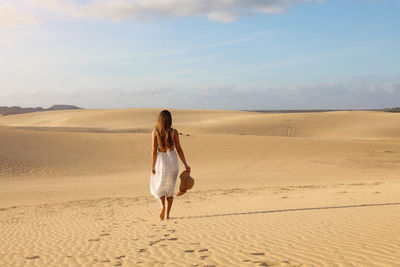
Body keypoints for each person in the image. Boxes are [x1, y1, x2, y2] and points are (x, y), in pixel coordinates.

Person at [150, 110, 191, 220]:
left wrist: (153, 166)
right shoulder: (174, 132)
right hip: (172, 161)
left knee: (160, 186)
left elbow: (154, 151)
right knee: (170, 188)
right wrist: (185, 164)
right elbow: (179, 149)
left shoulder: (155, 132)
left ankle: (162, 206)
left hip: (161, 161)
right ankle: (167, 215)